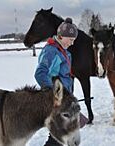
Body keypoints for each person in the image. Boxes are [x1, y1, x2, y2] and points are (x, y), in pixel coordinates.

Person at [34, 18, 87, 146]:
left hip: (65, 99)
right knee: (60, 135)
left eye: (73, 40)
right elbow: (41, 73)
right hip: (57, 101)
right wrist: (54, 94)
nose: (72, 43)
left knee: (71, 128)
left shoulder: (65, 53)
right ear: (62, 36)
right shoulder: (51, 51)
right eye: (71, 40)